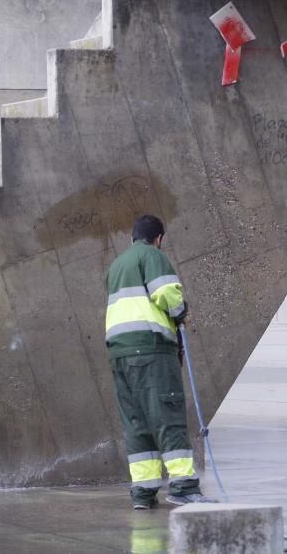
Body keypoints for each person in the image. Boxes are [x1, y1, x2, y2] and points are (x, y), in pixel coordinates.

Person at [105, 214, 214, 510]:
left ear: (131, 238)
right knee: (168, 412)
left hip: (120, 354)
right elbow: (165, 293)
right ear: (159, 239)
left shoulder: (116, 265)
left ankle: (143, 490)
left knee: (137, 421)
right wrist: (181, 313)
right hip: (150, 350)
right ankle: (182, 486)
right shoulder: (153, 256)